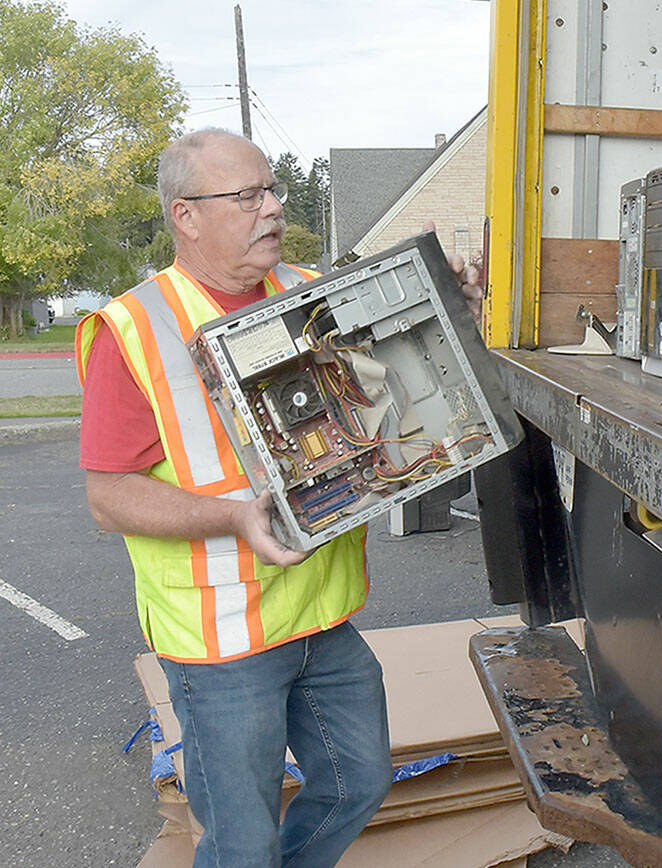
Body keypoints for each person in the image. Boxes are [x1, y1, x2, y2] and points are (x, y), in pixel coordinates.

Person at [77, 129, 480, 866]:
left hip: (319, 617)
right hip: (221, 641)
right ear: (185, 216)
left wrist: (444, 305)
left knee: (359, 782)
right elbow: (109, 498)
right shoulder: (133, 329)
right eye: (249, 196)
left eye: (273, 191)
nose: (273, 209)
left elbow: (382, 385)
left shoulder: (305, 291)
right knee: (241, 839)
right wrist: (236, 516)